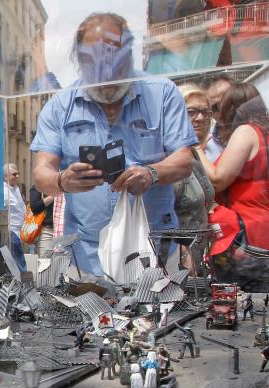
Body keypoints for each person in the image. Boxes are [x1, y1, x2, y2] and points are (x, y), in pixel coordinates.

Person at [32, 12, 196, 276]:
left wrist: (151, 173)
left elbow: (185, 160)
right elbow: (41, 174)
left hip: (154, 250)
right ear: (80, 60)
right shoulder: (59, 107)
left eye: (114, 62)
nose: (106, 74)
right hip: (87, 256)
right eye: (95, 64)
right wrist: (63, 180)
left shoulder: (162, 93)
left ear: (128, 55)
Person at [195, 83, 269, 289]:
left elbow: (218, 179)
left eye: (217, 108)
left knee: (233, 305)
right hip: (261, 236)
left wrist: (196, 148)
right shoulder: (264, 135)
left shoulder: (246, 131)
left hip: (246, 238)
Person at [174, 85, 216, 269]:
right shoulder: (170, 157)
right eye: (191, 111)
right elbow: (160, 215)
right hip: (177, 266)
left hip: (198, 259)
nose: (200, 118)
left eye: (205, 112)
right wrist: (183, 255)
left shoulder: (193, 152)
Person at [204, 75, 236, 162]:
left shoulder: (259, 130)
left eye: (228, 102)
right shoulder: (206, 143)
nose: (223, 109)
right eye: (215, 107)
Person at [4, 164, 27, 272]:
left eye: (18, 173)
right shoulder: (4, 191)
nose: (17, 176)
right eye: (14, 174)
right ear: (5, 177)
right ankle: (24, 282)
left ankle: (20, 282)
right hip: (11, 229)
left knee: (17, 259)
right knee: (19, 260)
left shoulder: (16, 189)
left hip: (20, 230)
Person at [29, 184, 55, 257]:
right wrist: (53, 197)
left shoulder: (67, 187)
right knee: (45, 263)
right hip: (47, 231)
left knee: (62, 263)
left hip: (65, 230)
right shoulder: (38, 187)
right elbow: (35, 208)